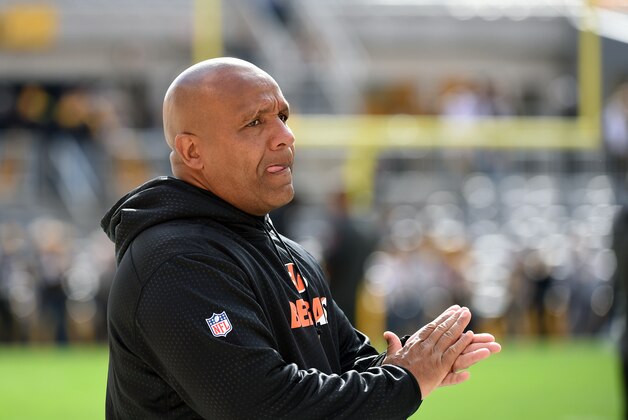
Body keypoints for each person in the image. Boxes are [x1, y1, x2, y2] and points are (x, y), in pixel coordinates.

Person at [101, 57, 501, 419]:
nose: (285, 137)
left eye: (283, 117)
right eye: (254, 122)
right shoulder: (176, 263)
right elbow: (266, 406)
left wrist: (418, 360)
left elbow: (347, 364)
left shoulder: (286, 252)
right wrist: (406, 380)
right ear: (191, 151)